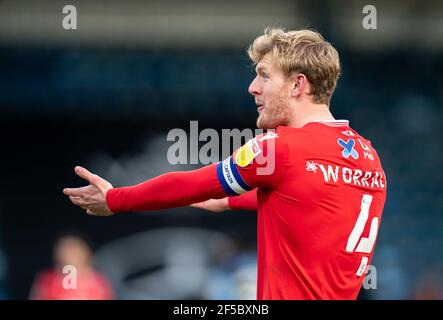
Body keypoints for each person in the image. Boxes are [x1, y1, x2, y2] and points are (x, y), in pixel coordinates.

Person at [63, 28, 387, 299]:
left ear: (297, 85)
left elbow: (193, 183)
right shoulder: (368, 156)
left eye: (264, 76)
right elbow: (309, 202)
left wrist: (116, 199)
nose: (253, 88)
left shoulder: (280, 149)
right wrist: (232, 200)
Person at [30, 233, 114, 300]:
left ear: (86, 251)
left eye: (75, 247)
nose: (71, 252)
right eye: (66, 247)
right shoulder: (47, 280)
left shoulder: (100, 281)